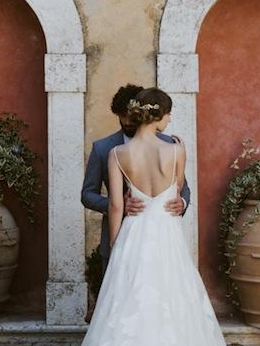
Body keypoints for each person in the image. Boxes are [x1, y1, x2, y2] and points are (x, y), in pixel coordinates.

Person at [11, 87, 260, 346]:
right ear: (159, 115)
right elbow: (100, 197)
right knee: (172, 311)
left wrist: (127, 244)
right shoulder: (168, 148)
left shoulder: (121, 155)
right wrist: (159, 204)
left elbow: (145, 202)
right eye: (168, 114)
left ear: (133, 115)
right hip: (166, 243)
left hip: (135, 241)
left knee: (129, 319)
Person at [81, 83, 191, 283]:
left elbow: (183, 188)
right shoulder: (103, 148)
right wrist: (119, 205)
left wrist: (181, 202)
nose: (127, 121)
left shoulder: (170, 145)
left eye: (130, 115)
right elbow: (87, 194)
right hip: (121, 236)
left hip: (164, 239)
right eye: (122, 115)